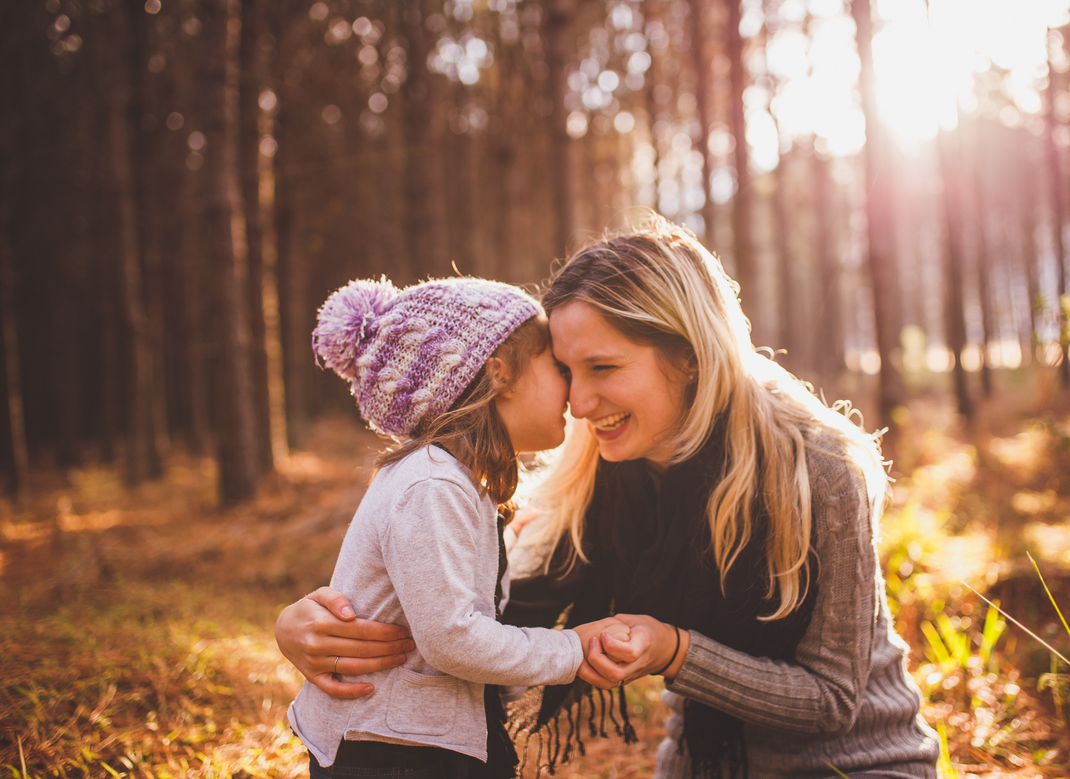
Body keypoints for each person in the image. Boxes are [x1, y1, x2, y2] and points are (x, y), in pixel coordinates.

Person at [277, 217, 941, 779]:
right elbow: (477, 617)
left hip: (861, 763)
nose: (579, 403)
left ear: (689, 356)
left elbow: (831, 701)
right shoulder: (596, 468)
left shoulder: (817, 467)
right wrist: (308, 625)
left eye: (604, 368)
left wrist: (675, 650)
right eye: (566, 371)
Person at [291, 276, 632, 779]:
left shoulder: (452, 482)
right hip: (397, 754)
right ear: (500, 377)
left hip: (418, 739)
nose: (573, 390)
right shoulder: (433, 485)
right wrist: (572, 649)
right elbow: (452, 639)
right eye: (557, 367)